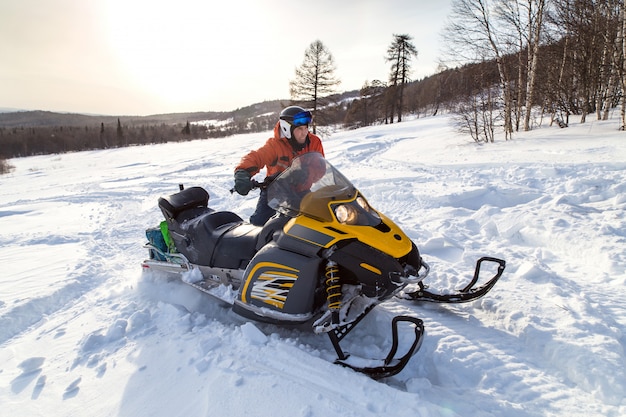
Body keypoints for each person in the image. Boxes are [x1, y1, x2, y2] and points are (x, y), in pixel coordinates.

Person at [233, 106, 325, 225]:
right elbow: (256, 157)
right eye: (300, 129)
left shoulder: (314, 142)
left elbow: (321, 167)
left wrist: (307, 173)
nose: (304, 133)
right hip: (274, 192)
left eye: (306, 128)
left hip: (301, 191)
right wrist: (242, 172)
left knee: (319, 221)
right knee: (260, 224)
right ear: (287, 129)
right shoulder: (275, 145)